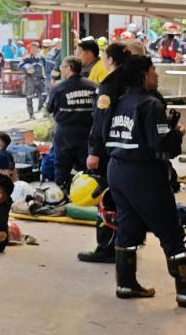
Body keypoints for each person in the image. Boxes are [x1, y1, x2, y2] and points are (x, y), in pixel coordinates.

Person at [105, 55, 186, 310]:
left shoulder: (119, 101)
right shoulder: (151, 105)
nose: (156, 75)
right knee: (171, 232)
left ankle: (125, 284)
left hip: (117, 170)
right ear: (143, 75)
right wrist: (177, 134)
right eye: (153, 71)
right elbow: (163, 147)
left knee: (127, 226)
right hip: (144, 174)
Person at [78, 42, 132, 264]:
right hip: (129, 150)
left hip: (110, 152)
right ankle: (124, 243)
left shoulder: (109, 85)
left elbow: (102, 121)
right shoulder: (134, 81)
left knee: (106, 199)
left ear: (110, 60)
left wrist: (94, 151)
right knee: (125, 200)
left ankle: (106, 247)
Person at [47, 56, 98, 189]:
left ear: (69, 68)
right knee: (88, 171)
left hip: (65, 133)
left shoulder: (59, 88)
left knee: (62, 167)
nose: (61, 70)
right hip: (88, 133)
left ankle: (61, 194)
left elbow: (50, 108)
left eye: (62, 67)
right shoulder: (94, 86)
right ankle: (88, 196)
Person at [20, 46, 44, 120]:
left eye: (35, 48)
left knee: (44, 96)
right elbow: (19, 66)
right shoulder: (27, 58)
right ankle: (31, 115)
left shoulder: (41, 58)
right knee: (29, 98)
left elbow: (45, 67)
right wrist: (27, 68)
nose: (34, 50)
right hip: (30, 80)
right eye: (32, 48)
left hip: (40, 80)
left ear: (38, 49)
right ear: (30, 49)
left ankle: (42, 111)